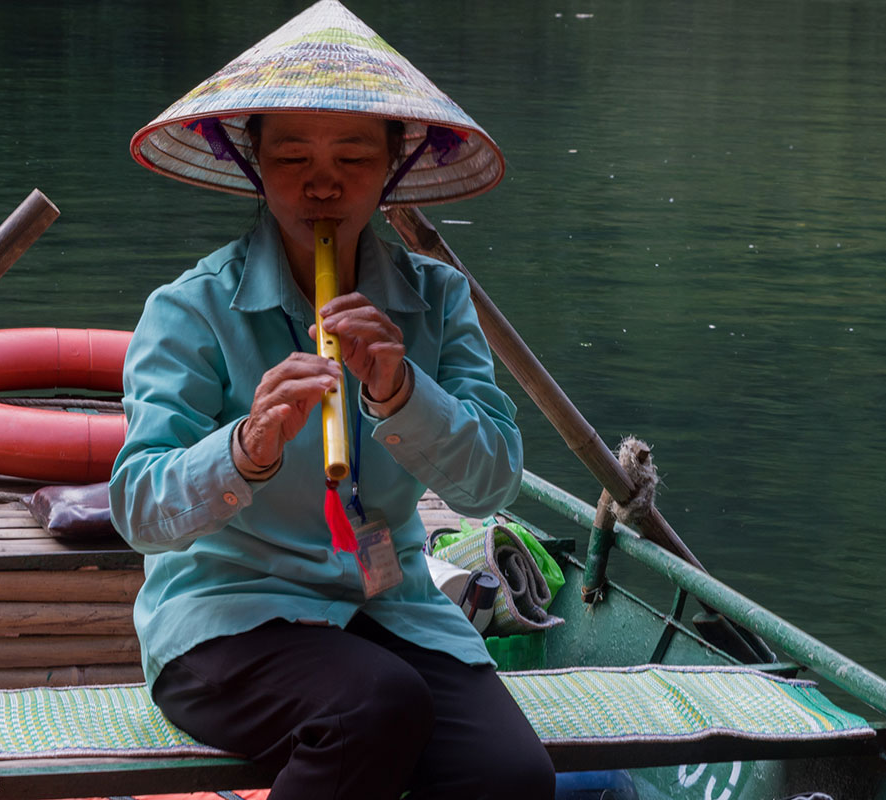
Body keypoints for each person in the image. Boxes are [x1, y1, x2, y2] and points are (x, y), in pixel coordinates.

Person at [111, 3, 554, 798]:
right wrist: (246, 447)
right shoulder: (190, 311)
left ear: (392, 164)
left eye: (353, 155)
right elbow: (138, 509)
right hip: (226, 618)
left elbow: (491, 486)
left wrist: (401, 391)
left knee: (513, 777)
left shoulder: (439, 300)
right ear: (254, 164)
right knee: (372, 708)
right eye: (291, 158)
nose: (322, 181)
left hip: (392, 608)